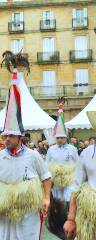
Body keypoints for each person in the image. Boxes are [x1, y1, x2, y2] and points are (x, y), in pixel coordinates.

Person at [0, 68, 51, 240]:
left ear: (20, 136)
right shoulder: (0, 157)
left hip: (28, 215)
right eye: (5, 135)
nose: (7, 139)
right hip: (5, 216)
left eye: (11, 135)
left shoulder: (33, 155)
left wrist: (46, 198)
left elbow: (46, 177)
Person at [46, 96, 79, 239]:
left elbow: (77, 163)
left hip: (69, 180)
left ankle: (69, 222)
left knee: (68, 200)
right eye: (58, 137)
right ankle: (58, 225)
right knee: (58, 202)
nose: (60, 140)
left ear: (66, 137)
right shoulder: (51, 150)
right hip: (56, 180)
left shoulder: (72, 148)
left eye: (62, 137)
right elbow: (47, 164)